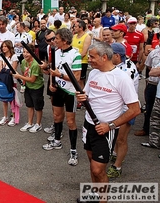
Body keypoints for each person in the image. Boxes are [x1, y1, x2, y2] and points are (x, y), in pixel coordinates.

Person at [76, 42, 140, 187]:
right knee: (92, 164)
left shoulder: (122, 78)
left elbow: (135, 109)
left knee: (98, 169)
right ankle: (94, 194)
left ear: (104, 57)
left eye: (92, 57)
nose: (89, 60)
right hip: (89, 125)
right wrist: (81, 97)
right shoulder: (93, 73)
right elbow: (87, 95)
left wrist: (110, 126)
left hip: (105, 130)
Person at [41, 28, 81, 167]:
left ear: (64, 40)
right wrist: (51, 81)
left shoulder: (76, 54)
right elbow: (52, 69)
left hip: (70, 92)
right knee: (57, 117)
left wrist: (59, 76)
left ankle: (73, 150)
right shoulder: (56, 52)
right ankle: (56, 141)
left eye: (56, 39)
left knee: (70, 122)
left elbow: (75, 78)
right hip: (58, 89)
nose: (54, 41)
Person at [106, 43, 139, 178]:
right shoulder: (119, 65)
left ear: (117, 56)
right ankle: (115, 154)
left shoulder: (127, 71)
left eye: (109, 54)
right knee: (116, 136)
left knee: (121, 139)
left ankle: (117, 166)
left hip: (127, 109)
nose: (106, 57)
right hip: (118, 107)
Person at [14, 44, 44, 133]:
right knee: (29, 105)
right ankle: (30, 122)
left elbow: (32, 79)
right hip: (28, 87)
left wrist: (19, 76)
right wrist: (23, 82)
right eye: (24, 52)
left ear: (32, 53)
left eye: (27, 52)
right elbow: (24, 74)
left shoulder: (35, 64)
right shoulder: (23, 62)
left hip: (37, 87)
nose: (25, 54)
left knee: (38, 106)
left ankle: (38, 124)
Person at [0, 40, 19, 126]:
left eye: (5, 46)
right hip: (3, 80)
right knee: (4, 99)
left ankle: (14, 117)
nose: (4, 48)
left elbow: (12, 71)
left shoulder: (14, 57)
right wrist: (4, 69)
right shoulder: (2, 57)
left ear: (10, 47)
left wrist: (3, 69)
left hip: (11, 80)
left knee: (12, 99)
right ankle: (5, 116)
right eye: (3, 46)